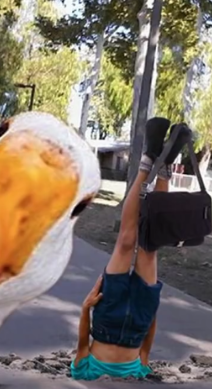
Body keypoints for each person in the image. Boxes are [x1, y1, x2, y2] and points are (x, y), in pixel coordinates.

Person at [71, 117, 190, 380]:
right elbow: (148, 341)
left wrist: (84, 308)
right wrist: (151, 308)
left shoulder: (83, 372)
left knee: (126, 241)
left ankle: (147, 162)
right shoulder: (139, 372)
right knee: (150, 246)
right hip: (140, 318)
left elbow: (82, 343)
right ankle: (165, 166)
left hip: (107, 313)